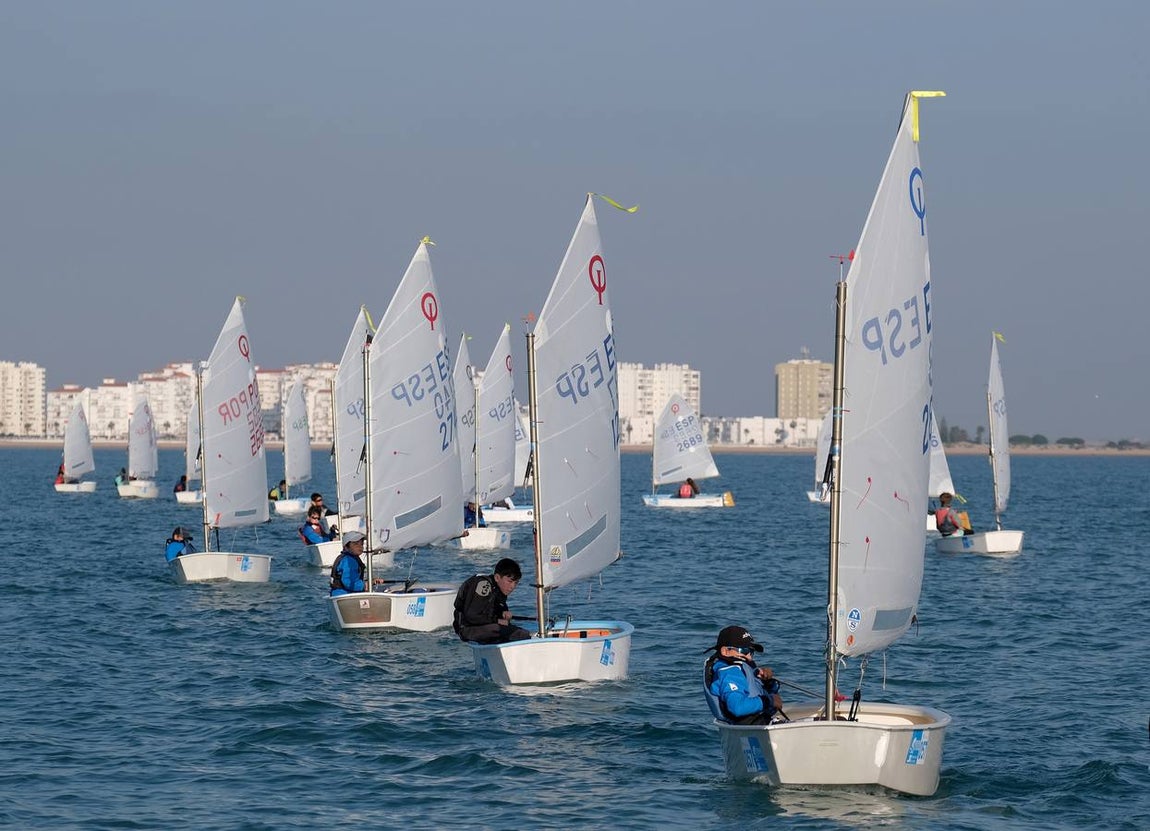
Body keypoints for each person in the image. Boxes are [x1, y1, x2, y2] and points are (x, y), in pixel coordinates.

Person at [703, 625, 783, 725]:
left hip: (758, 722)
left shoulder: (738, 668)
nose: (749, 657)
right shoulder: (730, 673)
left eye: (751, 651)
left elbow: (753, 691)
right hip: (750, 726)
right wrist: (769, 701)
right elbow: (737, 707)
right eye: (744, 651)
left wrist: (766, 683)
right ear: (725, 651)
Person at [453, 557, 532, 644]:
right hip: (467, 629)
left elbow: (492, 612)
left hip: (479, 627)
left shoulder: (498, 590)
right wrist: (497, 620)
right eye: (509, 581)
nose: (512, 586)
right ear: (497, 577)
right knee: (519, 634)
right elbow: (472, 616)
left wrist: (503, 613)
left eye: (516, 583)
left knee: (513, 630)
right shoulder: (484, 585)